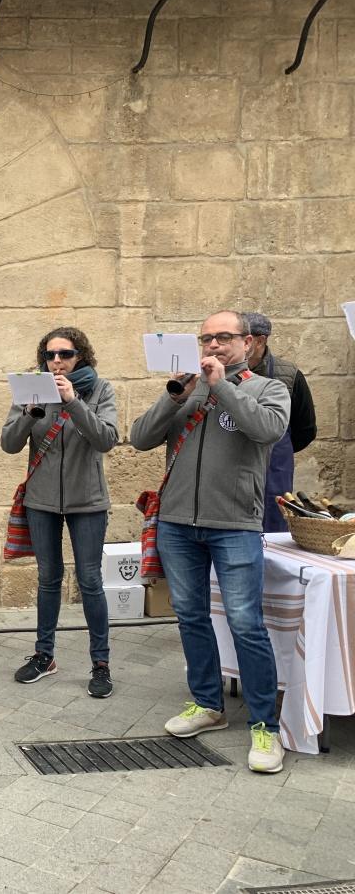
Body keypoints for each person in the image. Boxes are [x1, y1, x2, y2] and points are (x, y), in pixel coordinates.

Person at [131, 310, 290, 773]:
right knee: (191, 616)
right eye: (206, 339)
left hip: (235, 524)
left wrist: (222, 387)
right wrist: (172, 395)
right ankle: (207, 704)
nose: (214, 346)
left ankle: (264, 726)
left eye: (224, 338)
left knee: (245, 624)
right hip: (178, 524)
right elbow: (140, 438)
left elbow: (267, 430)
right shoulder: (184, 389)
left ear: (246, 343)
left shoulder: (268, 388)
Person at [0, 327, 119, 697]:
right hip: (42, 501)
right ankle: (44, 655)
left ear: (79, 356)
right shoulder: (31, 387)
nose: (56, 362)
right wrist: (28, 413)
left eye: (64, 354)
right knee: (48, 579)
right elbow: (9, 444)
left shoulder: (100, 389)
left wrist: (73, 403)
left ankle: (101, 664)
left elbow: (106, 438)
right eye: (50, 355)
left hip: (88, 502)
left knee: (90, 581)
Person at [241, 312, 317, 533]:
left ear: (260, 340)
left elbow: (305, 428)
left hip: (274, 465)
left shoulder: (289, 375)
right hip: (231, 463)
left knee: (274, 520)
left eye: (244, 338)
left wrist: (277, 451)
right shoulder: (222, 373)